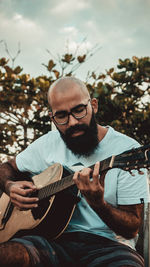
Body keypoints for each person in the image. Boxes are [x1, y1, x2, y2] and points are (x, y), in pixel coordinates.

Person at [0, 76, 149, 267]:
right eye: (61, 116)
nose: (72, 122)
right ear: (52, 117)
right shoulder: (47, 144)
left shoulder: (127, 150)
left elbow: (131, 229)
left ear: (93, 105)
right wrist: (10, 185)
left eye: (79, 110)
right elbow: (7, 167)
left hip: (110, 246)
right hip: (50, 241)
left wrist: (100, 204)